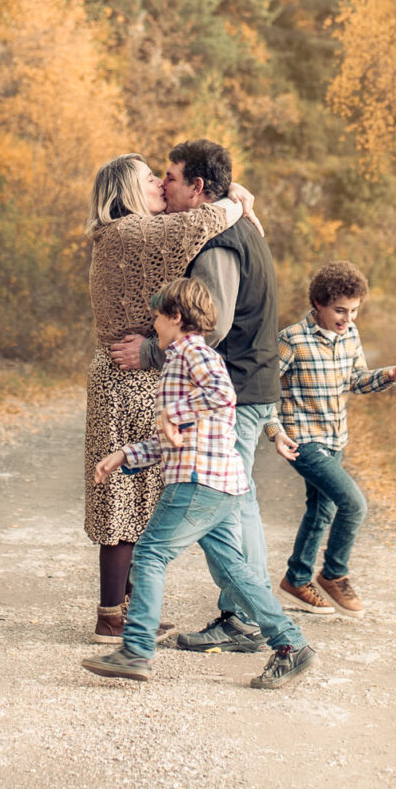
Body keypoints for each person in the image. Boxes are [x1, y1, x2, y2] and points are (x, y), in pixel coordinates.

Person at [84, 278, 316, 689]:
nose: (153, 325)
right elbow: (174, 436)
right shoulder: (181, 359)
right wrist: (125, 455)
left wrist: (172, 412)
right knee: (234, 572)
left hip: (198, 482)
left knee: (150, 554)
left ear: (176, 317)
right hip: (220, 483)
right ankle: (291, 646)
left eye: (157, 317)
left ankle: (135, 650)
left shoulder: (193, 352)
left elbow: (222, 395)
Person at [109, 139, 280, 654]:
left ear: (198, 189)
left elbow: (212, 325)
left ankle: (248, 621)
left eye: (172, 178)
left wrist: (150, 352)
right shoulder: (229, 223)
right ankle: (243, 616)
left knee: (238, 508)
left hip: (239, 387)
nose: (165, 185)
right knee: (230, 511)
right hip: (250, 384)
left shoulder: (219, 241)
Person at [268, 261, 396, 617]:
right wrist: (274, 431)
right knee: (354, 505)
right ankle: (333, 574)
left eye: (355, 311)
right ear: (318, 304)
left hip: (335, 438)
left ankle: (296, 579)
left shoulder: (350, 335)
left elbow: (356, 380)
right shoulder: (292, 340)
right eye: (340, 310)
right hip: (303, 441)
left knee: (322, 508)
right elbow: (263, 391)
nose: (347, 318)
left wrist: (387, 375)